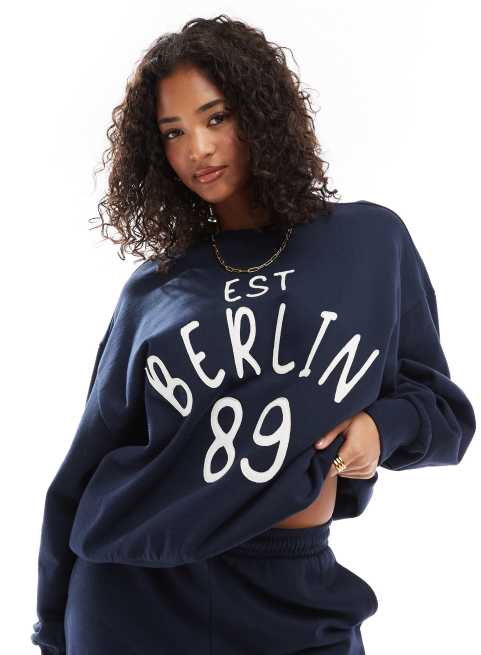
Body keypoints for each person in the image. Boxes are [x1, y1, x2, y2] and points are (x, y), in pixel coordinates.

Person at [30, 14, 476, 655]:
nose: (198, 149)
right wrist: (50, 630)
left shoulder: (370, 242)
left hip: (296, 595)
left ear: (262, 115)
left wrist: (382, 429)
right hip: (137, 598)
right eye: (173, 132)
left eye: (216, 118)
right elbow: (86, 463)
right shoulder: (155, 290)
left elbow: (444, 412)